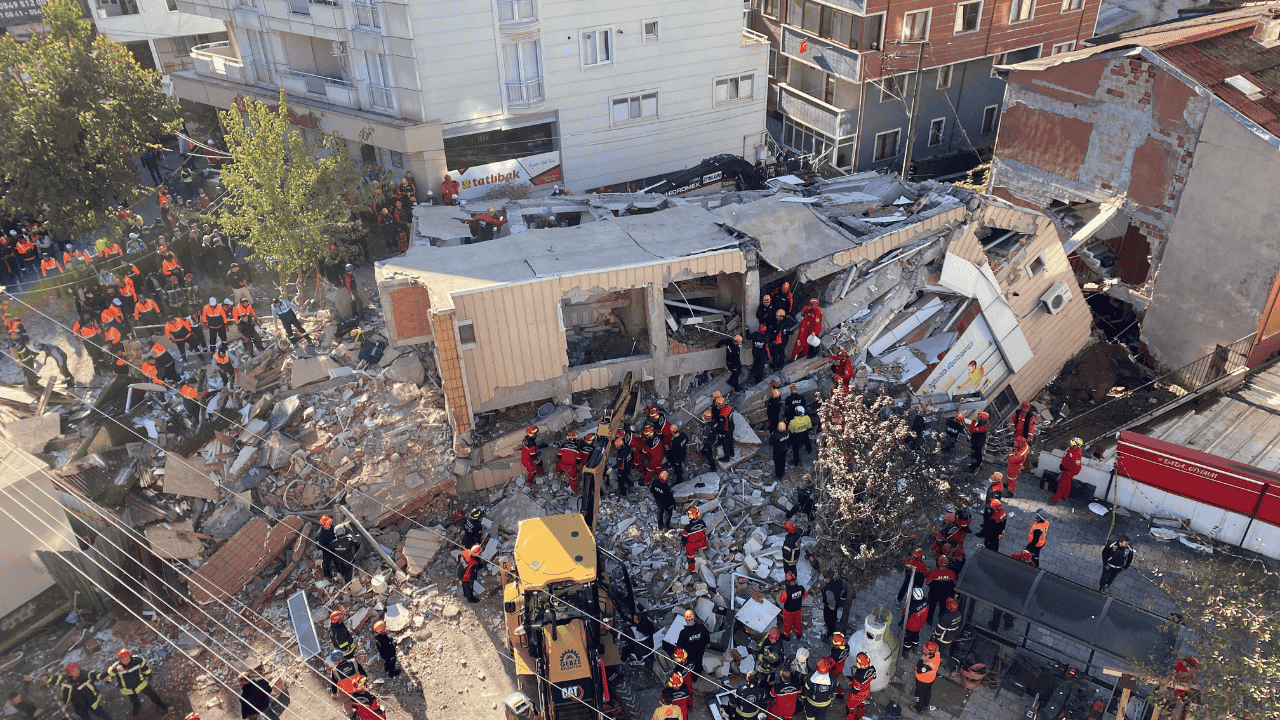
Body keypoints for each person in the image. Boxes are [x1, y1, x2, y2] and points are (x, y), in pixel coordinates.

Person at [107, 648, 168, 716]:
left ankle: (162, 705)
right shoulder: (117, 666)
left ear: (130, 657)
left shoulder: (137, 661)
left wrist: (148, 675)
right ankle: (137, 709)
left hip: (140, 683)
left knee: (152, 695)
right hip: (128, 688)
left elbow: (145, 668)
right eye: (123, 660)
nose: (126, 661)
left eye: (127, 659)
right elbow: (110, 673)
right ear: (120, 660)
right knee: (135, 701)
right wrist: (115, 670)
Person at [42, 664, 112, 720]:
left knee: (101, 713)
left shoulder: (84, 675)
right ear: (69, 673)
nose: (77, 671)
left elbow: (95, 675)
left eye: (77, 669)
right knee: (85, 717)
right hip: (77, 703)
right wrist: (47, 678)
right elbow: (55, 679)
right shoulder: (64, 679)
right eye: (74, 671)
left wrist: (103, 677)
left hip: (91, 700)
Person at [910, 642, 941, 714]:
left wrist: (923, 658)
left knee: (919, 694)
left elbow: (919, 669)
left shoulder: (928, 664)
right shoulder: (937, 654)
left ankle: (918, 708)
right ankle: (926, 704)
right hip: (931, 679)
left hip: (922, 681)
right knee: (927, 691)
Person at [677, 609, 710, 674]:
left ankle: (691, 675)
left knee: (690, 666)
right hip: (700, 652)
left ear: (685, 620)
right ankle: (697, 675)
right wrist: (707, 643)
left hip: (690, 654)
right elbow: (707, 637)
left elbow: (679, 645)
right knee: (698, 665)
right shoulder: (701, 627)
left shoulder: (683, 633)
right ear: (693, 618)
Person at [925, 556, 956, 624]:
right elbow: (954, 583)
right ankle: (941, 617)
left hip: (933, 594)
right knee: (943, 607)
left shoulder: (934, 573)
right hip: (945, 594)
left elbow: (927, 583)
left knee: (931, 607)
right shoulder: (952, 573)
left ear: (939, 563)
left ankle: (929, 620)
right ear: (947, 563)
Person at [845, 653, 875, 720]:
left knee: (849, 709)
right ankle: (859, 718)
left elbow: (855, 690)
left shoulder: (858, 677)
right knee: (861, 705)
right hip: (866, 692)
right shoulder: (872, 668)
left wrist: (849, 682)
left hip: (856, 696)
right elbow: (873, 677)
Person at [1054, 438, 1084, 504]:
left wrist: (1064, 467)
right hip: (1070, 470)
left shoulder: (1075, 454)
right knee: (1067, 483)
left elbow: (1073, 464)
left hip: (1069, 471)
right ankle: (1065, 496)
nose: (1070, 445)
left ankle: (1055, 499)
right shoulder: (1075, 451)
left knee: (1062, 484)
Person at [778, 572, 806, 640]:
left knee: (787, 625)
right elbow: (805, 594)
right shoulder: (801, 588)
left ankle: (787, 637)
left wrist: (782, 592)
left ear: (788, 582)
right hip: (798, 610)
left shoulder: (786, 592)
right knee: (798, 623)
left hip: (788, 612)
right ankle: (798, 634)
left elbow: (781, 600)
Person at [822, 572, 848, 641]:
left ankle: (828, 636)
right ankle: (832, 627)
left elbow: (832, 606)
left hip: (830, 608)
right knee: (834, 618)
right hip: (837, 604)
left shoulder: (828, 590)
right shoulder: (838, 581)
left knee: (829, 621)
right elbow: (843, 589)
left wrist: (827, 605)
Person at [681, 507, 707, 573]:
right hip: (701, 542)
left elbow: (684, 538)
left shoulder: (687, 527)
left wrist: (683, 544)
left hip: (692, 545)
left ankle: (692, 569)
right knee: (704, 537)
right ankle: (704, 548)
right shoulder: (702, 523)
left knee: (690, 558)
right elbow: (704, 531)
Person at [903, 587, 929, 651]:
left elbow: (905, 614)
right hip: (920, 624)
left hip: (911, 627)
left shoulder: (912, 606)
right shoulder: (926, 601)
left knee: (908, 638)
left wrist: (901, 622)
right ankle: (915, 647)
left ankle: (906, 651)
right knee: (916, 635)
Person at [317, 515, 339, 579]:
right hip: (326, 549)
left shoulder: (331, 527)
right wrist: (326, 548)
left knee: (337, 559)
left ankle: (338, 570)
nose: (330, 525)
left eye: (330, 524)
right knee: (327, 562)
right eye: (328, 524)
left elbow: (335, 535)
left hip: (333, 547)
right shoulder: (320, 535)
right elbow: (318, 546)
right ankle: (327, 575)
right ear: (324, 525)